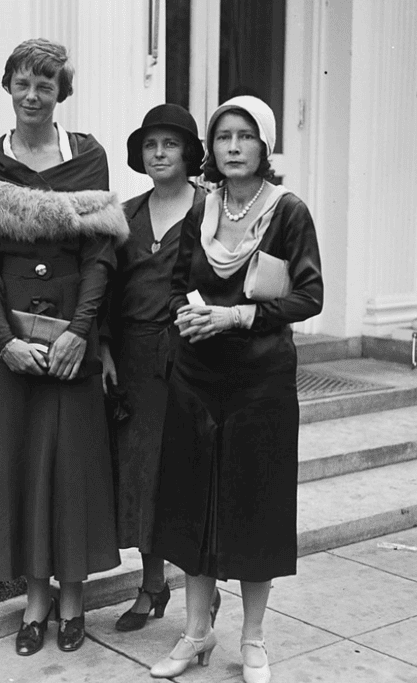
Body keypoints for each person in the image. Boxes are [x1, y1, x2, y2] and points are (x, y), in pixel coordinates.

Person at [0, 38, 125, 656]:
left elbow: (100, 254)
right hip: (13, 343)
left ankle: (73, 599)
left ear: (60, 92)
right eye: (22, 83)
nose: (32, 95)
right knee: (22, 465)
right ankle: (35, 601)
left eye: (45, 85)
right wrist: (5, 343)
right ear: (8, 87)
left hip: (74, 338)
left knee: (71, 468)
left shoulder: (89, 156)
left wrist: (80, 332)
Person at [148, 96, 323, 682]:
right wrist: (189, 315)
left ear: (264, 145)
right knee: (192, 508)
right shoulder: (202, 210)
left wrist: (236, 317)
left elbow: (309, 296)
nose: (233, 147)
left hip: (260, 381)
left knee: (255, 510)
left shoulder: (288, 212)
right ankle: (196, 633)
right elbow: (177, 284)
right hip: (197, 378)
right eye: (223, 137)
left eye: (245, 136)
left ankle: (252, 640)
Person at [99, 104, 205, 632]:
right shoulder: (126, 215)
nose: (159, 153)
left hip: (193, 358)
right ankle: (152, 584)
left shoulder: (211, 209)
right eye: (150, 145)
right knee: (143, 475)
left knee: (190, 474)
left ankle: (204, 593)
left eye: (170, 144)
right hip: (136, 362)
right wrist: (105, 349)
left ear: (189, 152)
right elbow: (107, 289)